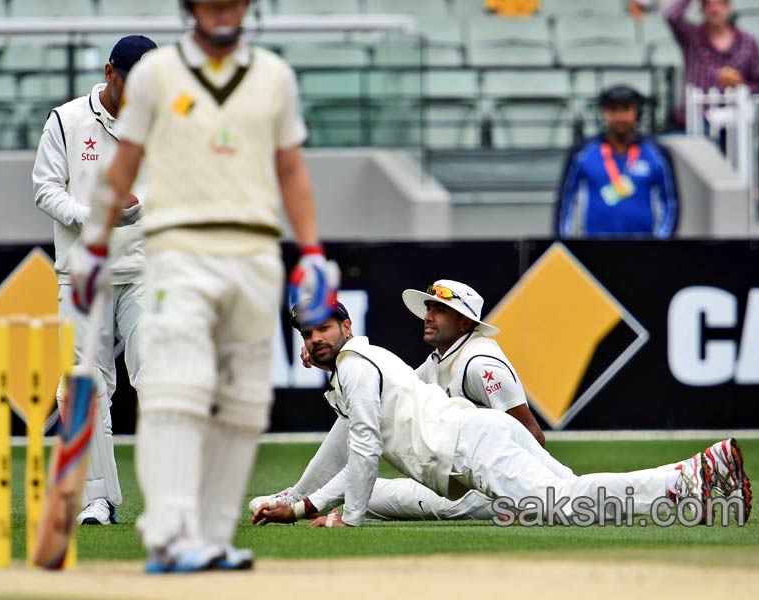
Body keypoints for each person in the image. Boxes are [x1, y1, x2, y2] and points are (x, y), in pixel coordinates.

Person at [67, 0, 338, 574]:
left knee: (241, 402)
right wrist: (93, 243)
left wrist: (311, 250)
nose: (223, 12)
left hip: (252, 253)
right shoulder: (159, 78)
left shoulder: (273, 78)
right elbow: (124, 164)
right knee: (175, 392)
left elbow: (290, 168)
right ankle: (168, 533)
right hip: (178, 255)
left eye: (233, 3)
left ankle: (211, 536)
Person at [252, 303, 752, 528]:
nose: (315, 339)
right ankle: (699, 487)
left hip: (471, 450)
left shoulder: (357, 371)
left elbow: (364, 450)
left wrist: (350, 519)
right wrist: (300, 504)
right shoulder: (362, 364)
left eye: (323, 330)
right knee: (574, 496)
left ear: (346, 325)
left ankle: (691, 479)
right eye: (306, 335)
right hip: (479, 439)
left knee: (566, 505)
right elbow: (345, 444)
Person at [250, 279, 546, 521]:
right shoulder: (438, 360)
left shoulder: (480, 363)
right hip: (465, 473)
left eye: (440, 310)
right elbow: (387, 390)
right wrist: (328, 356)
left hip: (486, 483)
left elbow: (532, 435)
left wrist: (512, 485)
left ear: (465, 323)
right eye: (429, 308)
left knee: (367, 490)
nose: (428, 316)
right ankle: (301, 496)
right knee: (361, 471)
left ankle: (306, 500)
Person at [32, 34, 157, 527]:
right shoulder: (66, 120)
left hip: (144, 269)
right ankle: (97, 499)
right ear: (110, 73)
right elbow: (44, 187)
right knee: (85, 385)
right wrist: (92, 216)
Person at [556, 84, 680, 239]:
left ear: (637, 112)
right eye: (613, 110)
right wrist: (566, 244)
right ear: (604, 113)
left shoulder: (656, 152)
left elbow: (670, 202)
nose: (620, 116)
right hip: (594, 247)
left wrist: (659, 245)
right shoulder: (583, 152)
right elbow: (566, 201)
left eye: (626, 109)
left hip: (642, 247)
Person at [664, 0, 759, 127]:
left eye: (719, 2)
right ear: (701, 8)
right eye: (708, 3)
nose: (714, 8)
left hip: (734, 123)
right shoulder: (692, 36)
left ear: (728, 6)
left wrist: (740, 85)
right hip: (696, 120)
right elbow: (672, 16)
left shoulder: (748, 42)